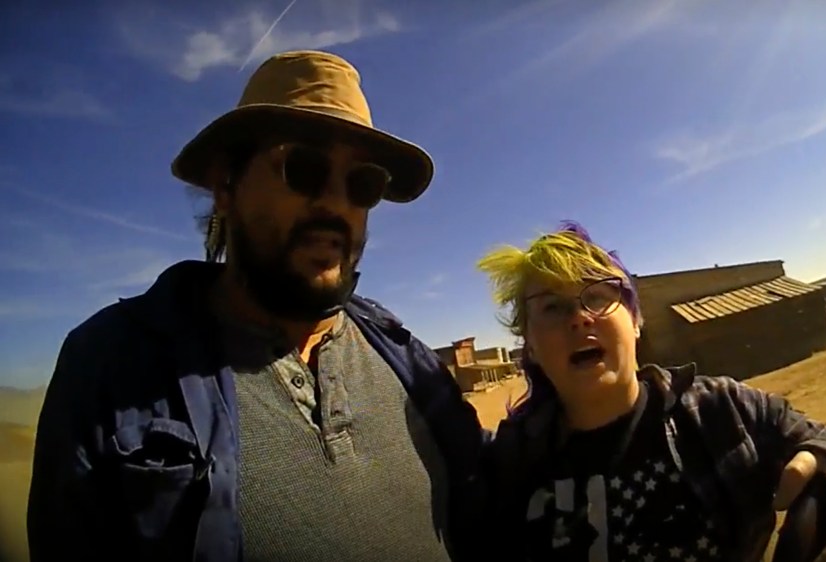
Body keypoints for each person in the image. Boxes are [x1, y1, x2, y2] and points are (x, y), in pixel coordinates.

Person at [27, 50, 490, 562]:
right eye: (304, 169)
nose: (336, 205)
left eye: (363, 184)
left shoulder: (407, 359)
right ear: (227, 186)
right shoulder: (110, 365)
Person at [475, 221, 826, 562]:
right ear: (528, 342)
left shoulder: (721, 410)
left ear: (635, 320)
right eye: (552, 306)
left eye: (597, 296)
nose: (579, 318)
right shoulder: (511, 462)